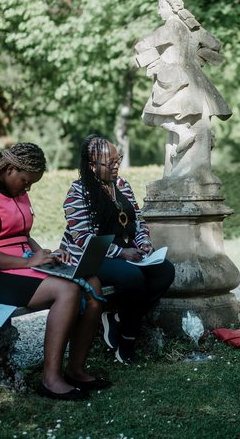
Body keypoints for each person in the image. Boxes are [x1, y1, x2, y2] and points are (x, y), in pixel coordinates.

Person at [0, 143, 108, 401]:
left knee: (92, 281)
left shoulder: (18, 190)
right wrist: (28, 263)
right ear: (10, 169)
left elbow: (23, 236)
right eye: (26, 182)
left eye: (31, 185)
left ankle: (76, 369)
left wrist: (46, 254)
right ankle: (50, 379)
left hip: (23, 264)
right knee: (67, 290)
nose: (28, 189)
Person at [60, 135, 176, 364]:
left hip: (126, 253)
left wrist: (143, 243)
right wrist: (121, 253)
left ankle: (118, 318)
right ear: (92, 165)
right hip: (91, 257)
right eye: (109, 162)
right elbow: (82, 238)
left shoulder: (121, 185)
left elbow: (138, 220)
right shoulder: (77, 193)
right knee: (131, 276)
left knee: (165, 271)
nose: (116, 166)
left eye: (118, 160)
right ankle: (127, 341)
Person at [134, 0, 231, 178]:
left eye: (161, 7)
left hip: (177, 81)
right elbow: (214, 44)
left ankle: (182, 132)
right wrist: (197, 60)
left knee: (148, 116)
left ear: (172, 8)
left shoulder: (171, 27)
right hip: (197, 83)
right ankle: (190, 137)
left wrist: (159, 63)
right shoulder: (192, 29)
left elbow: (142, 45)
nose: (158, 12)